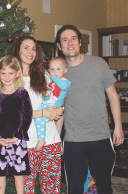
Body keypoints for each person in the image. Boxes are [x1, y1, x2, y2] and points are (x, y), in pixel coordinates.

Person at [55, 25, 124, 194]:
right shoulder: (58, 74)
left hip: (100, 137)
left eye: (73, 38)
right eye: (64, 39)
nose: (69, 43)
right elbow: (59, 108)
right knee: (75, 188)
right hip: (73, 141)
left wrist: (118, 127)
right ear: (59, 46)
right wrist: (57, 138)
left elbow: (113, 96)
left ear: (80, 42)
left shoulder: (99, 64)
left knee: (105, 186)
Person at [11, 35, 63, 194]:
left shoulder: (44, 75)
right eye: (26, 47)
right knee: (26, 189)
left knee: (51, 188)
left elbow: (58, 107)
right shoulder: (10, 78)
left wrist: (58, 138)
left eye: (33, 48)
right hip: (24, 144)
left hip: (50, 140)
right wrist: (43, 113)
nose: (30, 51)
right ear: (17, 51)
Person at [0, 56, 32, 194]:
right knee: (0, 180)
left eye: (11, 73)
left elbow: (27, 116)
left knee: (19, 178)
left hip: (17, 141)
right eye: (3, 73)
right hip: (0, 142)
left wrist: (18, 136)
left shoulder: (22, 94)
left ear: (17, 74)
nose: (7, 77)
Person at [34, 57, 71, 151]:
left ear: (65, 70)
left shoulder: (65, 81)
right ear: (48, 70)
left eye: (58, 69)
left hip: (54, 105)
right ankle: (41, 139)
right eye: (52, 69)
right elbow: (49, 94)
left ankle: (41, 140)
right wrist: (46, 95)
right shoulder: (51, 83)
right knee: (38, 119)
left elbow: (63, 86)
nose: (55, 72)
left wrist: (53, 77)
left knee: (39, 120)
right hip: (48, 103)